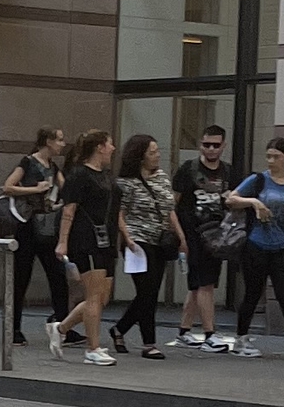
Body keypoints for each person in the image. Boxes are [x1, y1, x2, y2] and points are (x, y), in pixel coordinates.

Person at [229, 135, 284, 356]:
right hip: (256, 244)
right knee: (253, 293)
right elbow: (231, 199)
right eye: (268, 156)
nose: (271, 161)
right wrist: (254, 202)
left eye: (276, 156)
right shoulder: (258, 180)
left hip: (280, 245)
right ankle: (241, 338)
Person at [108, 131, 184, 357]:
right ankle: (149, 344)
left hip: (160, 240)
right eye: (153, 152)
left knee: (149, 292)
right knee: (147, 291)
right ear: (140, 156)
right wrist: (127, 238)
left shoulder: (161, 177)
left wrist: (181, 237)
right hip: (138, 242)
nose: (157, 155)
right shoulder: (126, 183)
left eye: (157, 151)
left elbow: (170, 210)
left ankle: (119, 329)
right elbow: (119, 214)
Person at [51, 126, 119, 363]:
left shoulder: (106, 175)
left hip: (106, 239)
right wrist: (63, 242)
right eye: (109, 144)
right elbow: (69, 211)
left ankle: (60, 328)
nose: (112, 148)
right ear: (99, 147)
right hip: (85, 239)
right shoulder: (79, 175)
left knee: (101, 298)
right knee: (92, 296)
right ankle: (92, 348)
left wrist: (123, 236)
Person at [172, 123, 239, 348]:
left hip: (216, 235)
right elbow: (174, 203)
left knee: (198, 285)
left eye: (215, 145)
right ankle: (209, 333)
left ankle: (184, 330)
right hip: (193, 233)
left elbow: (234, 201)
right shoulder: (188, 169)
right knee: (205, 285)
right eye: (206, 145)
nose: (210, 149)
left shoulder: (228, 172)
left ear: (223, 146)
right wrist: (179, 235)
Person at [1, 126, 70, 342]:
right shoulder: (28, 162)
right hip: (27, 228)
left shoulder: (53, 166)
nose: (63, 144)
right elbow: (8, 187)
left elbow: (66, 189)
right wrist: (35, 189)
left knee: (58, 278)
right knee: (21, 280)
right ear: (48, 142)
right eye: (59, 139)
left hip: (48, 229)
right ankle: (13, 330)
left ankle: (63, 326)